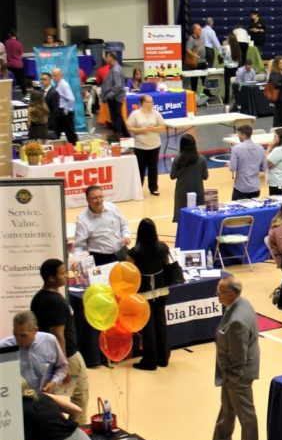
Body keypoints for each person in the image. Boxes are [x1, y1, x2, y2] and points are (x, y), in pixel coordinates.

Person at [199, 276, 261, 440]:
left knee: (245, 413)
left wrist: (231, 378)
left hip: (238, 373)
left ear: (232, 294)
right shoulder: (241, 304)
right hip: (233, 372)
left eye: (220, 292)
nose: (217, 295)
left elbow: (238, 356)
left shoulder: (237, 321)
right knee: (227, 407)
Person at [31, 260, 89, 422]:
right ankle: (78, 430)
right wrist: (63, 365)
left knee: (52, 397)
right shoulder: (55, 301)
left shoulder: (38, 297)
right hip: (67, 355)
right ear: (51, 278)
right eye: (62, 272)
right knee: (80, 396)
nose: (66, 275)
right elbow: (57, 334)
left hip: (48, 355)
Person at [126, 219, 172, 370]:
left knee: (148, 326)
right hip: (161, 290)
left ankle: (150, 361)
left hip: (144, 293)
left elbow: (128, 273)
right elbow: (167, 264)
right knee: (161, 323)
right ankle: (163, 357)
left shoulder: (134, 252)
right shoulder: (163, 248)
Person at [2, 311, 67, 393]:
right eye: (15, 334)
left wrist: (54, 382)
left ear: (35, 330)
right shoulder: (4, 347)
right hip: (18, 399)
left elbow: (62, 367)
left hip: (46, 396)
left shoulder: (49, 341)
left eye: (23, 336)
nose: (18, 339)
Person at [73, 185, 131, 265]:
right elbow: (79, 246)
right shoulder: (82, 221)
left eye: (100, 197)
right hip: (101, 259)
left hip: (122, 252)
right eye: (95, 198)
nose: (99, 200)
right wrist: (76, 261)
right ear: (87, 200)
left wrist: (126, 235)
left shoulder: (113, 208)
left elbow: (124, 225)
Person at [126, 94, 167, 196]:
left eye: (152, 102)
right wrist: (141, 130)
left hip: (154, 145)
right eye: (149, 102)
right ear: (143, 103)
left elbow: (162, 127)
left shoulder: (156, 114)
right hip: (140, 146)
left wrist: (153, 129)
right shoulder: (135, 114)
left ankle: (153, 188)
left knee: (153, 167)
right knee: (140, 168)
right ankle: (138, 189)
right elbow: (130, 127)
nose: (152, 103)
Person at [170, 134, 209, 222]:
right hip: (198, 192)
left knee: (183, 219)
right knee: (198, 218)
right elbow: (205, 176)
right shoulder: (202, 159)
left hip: (182, 194)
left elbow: (172, 176)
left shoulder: (177, 159)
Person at [229, 125, 267, 200]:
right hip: (255, 187)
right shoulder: (260, 148)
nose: (238, 136)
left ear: (243, 135)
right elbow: (264, 168)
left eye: (239, 134)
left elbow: (232, 168)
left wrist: (228, 165)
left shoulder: (236, 149)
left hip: (241, 188)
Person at [98, 51, 128, 137]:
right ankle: (126, 134)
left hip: (115, 97)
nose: (105, 59)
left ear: (111, 57)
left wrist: (108, 96)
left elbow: (118, 86)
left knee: (116, 118)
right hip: (115, 97)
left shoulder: (115, 70)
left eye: (106, 57)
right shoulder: (115, 68)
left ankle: (117, 135)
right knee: (118, 116)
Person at [51, 68, 78, 143]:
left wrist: (66, 111)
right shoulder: (58, 84)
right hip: (60, 112)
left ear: (60, 75)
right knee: (57, 131)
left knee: (70, 133)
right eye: (52, 76)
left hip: (65, 112)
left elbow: (71, 99)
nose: (53, 78)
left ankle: (75, 147)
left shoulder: (64, 85)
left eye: (55, 76)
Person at [268, 56, 282, 127]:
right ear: (276, 64)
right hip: (279, 98)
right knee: (278, 117)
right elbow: (275, 84)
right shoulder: (274, 73)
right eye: (280, 63)